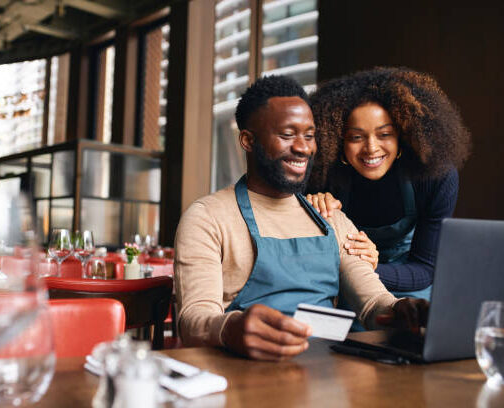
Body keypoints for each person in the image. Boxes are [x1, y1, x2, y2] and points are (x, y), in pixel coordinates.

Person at [174, 75, 427, 361]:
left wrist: (403, 310)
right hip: (243, 377)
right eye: (287, 134)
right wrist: (230, 328)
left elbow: (373, 304)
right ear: (248, 140)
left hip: (327, 378)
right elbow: (193, 320)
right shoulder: (208, 217)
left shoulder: (330, 217)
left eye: (309, 135)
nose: (304, 147)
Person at [307, 67, 471, 301]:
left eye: (384, 134)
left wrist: (371, 267)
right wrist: (311, 209)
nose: (371, 148)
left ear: (403, 136)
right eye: (356, 137)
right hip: (347, 280)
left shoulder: (435, 177)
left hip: (410, 283)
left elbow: (424, 269)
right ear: (337, 141)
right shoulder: (322, 177)